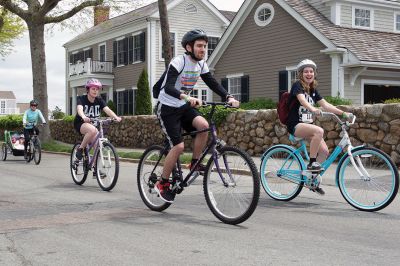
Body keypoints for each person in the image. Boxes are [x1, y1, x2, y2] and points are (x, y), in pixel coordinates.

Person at [154, 29, 239, 203]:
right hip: (168, 108)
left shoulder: (201, 64)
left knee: (203, 126)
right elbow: (168, 87)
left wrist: (228, 96)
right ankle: (162, 183)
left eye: (205, 46)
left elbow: (212, 82)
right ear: (189, 47)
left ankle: (194, 162)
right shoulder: (179, 61)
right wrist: (186, 97)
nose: (203, 49)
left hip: (184, 106)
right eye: (199, 46)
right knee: (177, 147)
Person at [286, 59, 353, 195]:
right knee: (319, 130)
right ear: (301, 74)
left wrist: (343, 113)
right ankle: (312, 163)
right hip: (295, 125)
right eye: (306, 71)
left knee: (324, 152)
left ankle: (311, 179)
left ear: (314, 73)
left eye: (311, 71)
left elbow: (326, 105)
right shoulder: (297, 85)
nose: (309, 74)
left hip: (307, 125)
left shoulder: (313, 90)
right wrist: (312, 109)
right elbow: (302, 100)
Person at [73, 78, 121, 164]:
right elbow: (79, 109)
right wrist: (83, 116)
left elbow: (107, 110)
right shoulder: (82, 98)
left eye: (97, 89)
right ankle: (80, 149)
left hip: (93, 125)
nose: (95, 91)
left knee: (97, 145)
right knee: (92, 130)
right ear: (88, 89)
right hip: (81, 123)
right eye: (93, 89)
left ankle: (96, 169)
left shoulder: (99, 100)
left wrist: (116, 117)